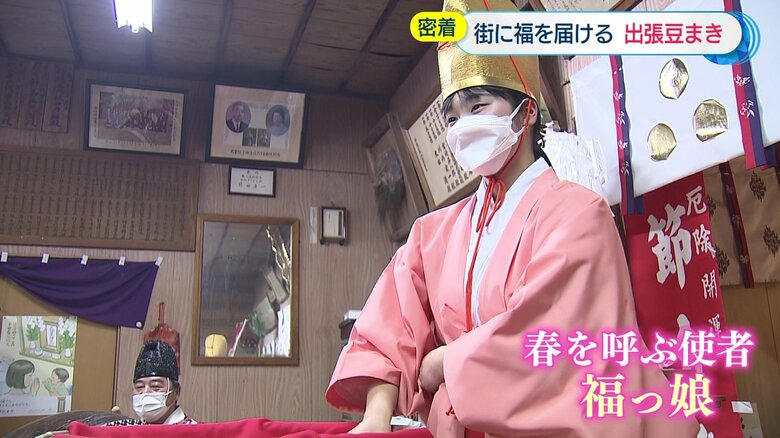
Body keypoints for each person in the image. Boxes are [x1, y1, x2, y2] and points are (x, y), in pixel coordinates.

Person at [326, 1, 700, 437]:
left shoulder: (579, 214)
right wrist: (376, 416)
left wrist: (446, 361)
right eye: (452, 117)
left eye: (478, 107)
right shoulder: (434, 233)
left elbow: (550, 339)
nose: (461, 127)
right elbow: (390, 322)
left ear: (527, 112)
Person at [132, 340, 196, 424]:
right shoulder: (128, 428)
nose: (145, 392)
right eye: (139, 386)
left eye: (155, 386)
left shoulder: (194, 430)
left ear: (176, 392)